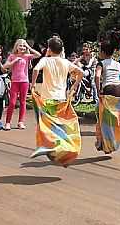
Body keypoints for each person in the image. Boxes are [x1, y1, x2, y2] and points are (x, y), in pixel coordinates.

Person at [30, 36, 84, 165]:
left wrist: (32, 85)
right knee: (60, 126)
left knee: (46, 126)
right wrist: (74, 87)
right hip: (61, 100)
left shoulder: (45, 60)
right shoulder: (65, 62)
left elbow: (36, 69)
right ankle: (62, 151)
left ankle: (50, 147)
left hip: (48, 99)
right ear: (61, 50)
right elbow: (80, 72)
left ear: (49, 49)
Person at [95, 31, 120, 154]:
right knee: (117, 120)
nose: (99, 53)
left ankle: (103, 143)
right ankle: (112, 143)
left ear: (104, 52)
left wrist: (98, 90)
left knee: (103, 118)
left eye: (100, 51)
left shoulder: (101, 63)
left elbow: (97, 76)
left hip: (108, 90)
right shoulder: (118, 64)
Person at [3, 39, 41, 131]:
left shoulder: (27, 56)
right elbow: (5, 66)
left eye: (24, 46)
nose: (22, 48)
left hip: (24, 81)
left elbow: (38, 55)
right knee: (12, 102)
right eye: (20, 46)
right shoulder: (12, 56)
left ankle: (21, 122)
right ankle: (8, 122)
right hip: (15, 82)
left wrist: (28, 47)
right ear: (16, 47)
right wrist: (14, 61)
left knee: (23, 102)